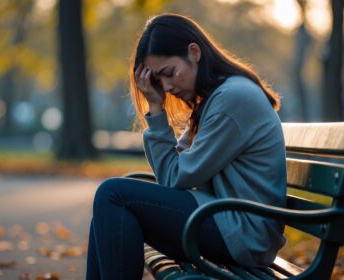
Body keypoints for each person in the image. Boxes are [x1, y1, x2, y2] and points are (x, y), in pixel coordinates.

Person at [86, 13, 286, 280]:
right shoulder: (216, 99)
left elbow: (173, 177)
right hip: (226, 221)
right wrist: (156, 109)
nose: (167, 87)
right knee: (109, 206)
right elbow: (174, 170)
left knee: (113, 195)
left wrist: (156, 111)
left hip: (243, 233)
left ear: (194, 52)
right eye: (158, 81)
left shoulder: (231, 99)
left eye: (168, 73)